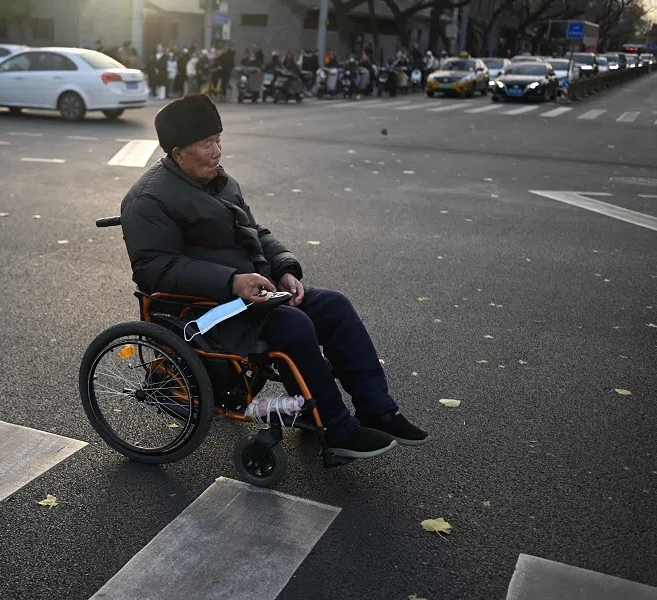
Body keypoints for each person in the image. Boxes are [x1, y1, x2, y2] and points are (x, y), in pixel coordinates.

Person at [119, 95, 431, 460]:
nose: (218, 151)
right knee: (293, 326)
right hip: (204, 311)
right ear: (178, 151)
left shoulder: (220, 182)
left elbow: (255, 231)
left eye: (219, 139)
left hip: (253, 295)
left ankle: (378, 409)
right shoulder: (148, 199)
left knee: (334, 305)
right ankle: (337, 428)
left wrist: (284, 268)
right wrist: (233, 281)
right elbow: (156, 268)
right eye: (208, 144)